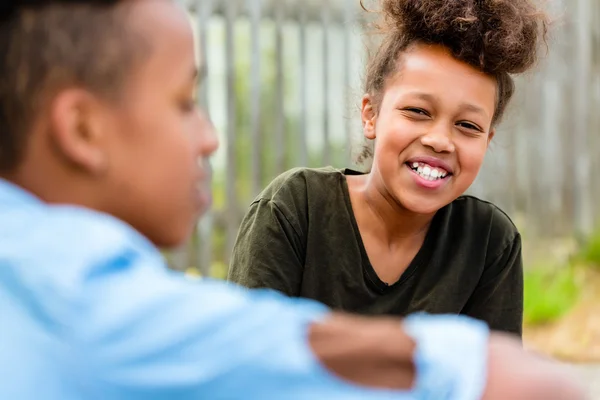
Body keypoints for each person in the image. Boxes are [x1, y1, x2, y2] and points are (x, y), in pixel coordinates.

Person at [0, 0, 585, 399]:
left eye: (468, 125)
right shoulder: (76, 297)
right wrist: (466, 364)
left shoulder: (490, 239)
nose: (210, 136)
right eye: (183, 102)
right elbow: (244, 351)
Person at [227, 0, 539, 337]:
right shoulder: (295, 209)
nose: (440, 140)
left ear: (487, 138)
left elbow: (490, 381)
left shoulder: (489, 242)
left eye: (467, 125)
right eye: (418, 111)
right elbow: (248, 364)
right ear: (371, 114)